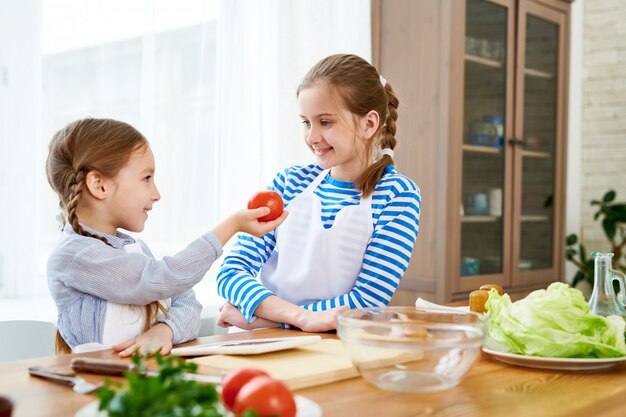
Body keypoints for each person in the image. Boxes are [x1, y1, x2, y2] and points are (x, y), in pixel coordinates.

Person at [46, 118, 287, 356]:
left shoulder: (135, 249)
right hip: (99, 384)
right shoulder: (74, 256)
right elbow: (161, 278)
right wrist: (231, 226)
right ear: (99, 185)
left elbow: (189, 304)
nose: (157, 194)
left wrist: (166, 330)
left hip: (147, 380)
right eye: (146, 178)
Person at [216, 54, 421, 332]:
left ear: (369, 124)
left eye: (325, 122)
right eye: (306, 122)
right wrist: (301, 318)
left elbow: (364, 305)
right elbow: (231, 272)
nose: (312, 137)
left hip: (325, 347)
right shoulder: (289, 183)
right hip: (258, 342)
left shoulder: (397, 195)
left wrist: (265, 317)